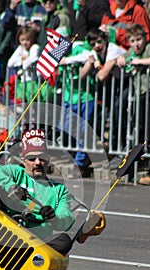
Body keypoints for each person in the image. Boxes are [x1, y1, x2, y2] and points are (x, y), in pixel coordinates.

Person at [0, 129, 106, 255]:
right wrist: (11, 187)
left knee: (63, 241)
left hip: (35, 239)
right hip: (5, 227)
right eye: (31, 158)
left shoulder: (59, 190)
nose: (37, 163)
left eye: (42, 158)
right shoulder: (16, 172)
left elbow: (67, 216)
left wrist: (54, 218)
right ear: (23, 160)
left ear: (48, 160)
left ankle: (31, 262)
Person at [80, 28, 127, 151]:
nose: (97, 46)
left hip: (127, 83)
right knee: (105, 113)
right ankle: (108, 146)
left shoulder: (113, 49)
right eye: (93, 44)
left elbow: (102, 75)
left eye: (99, 42)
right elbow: (82, 75)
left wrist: (96, 66)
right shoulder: (95, 51)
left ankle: (119, 148)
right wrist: (90, 63)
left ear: (105, 40)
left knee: (118, 112)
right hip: (113, 86)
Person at [58, 28, 95, 178]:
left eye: (64, 39)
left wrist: (67, 61)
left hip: (85, 96)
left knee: (82, 130)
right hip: (68, 97)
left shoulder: (79, 47)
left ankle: (80, 162)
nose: (62, 42)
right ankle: (74, 158)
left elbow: (88, 56)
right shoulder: (57, 52)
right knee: (64, 129)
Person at [116, 24, 150, 184]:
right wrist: (121, 59)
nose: (137, 44)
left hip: (148, 93)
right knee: (140, 127)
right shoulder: (131, 52)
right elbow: (121, 58)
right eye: (133, 41)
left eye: (139, 39)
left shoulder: (148, 48)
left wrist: (139, 61)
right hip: (140, 95)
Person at [7, 26, 50, 103]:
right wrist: (21, 59)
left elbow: (33, 59)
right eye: (22, 40)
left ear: (32, 39)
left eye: (27, 40)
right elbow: (10, 63)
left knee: (33, 104)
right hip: (22, 82)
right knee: (21, 103)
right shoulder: (20, 48)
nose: (25, 42)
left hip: (33, 82)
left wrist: (25, 61)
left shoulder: (35, 47)